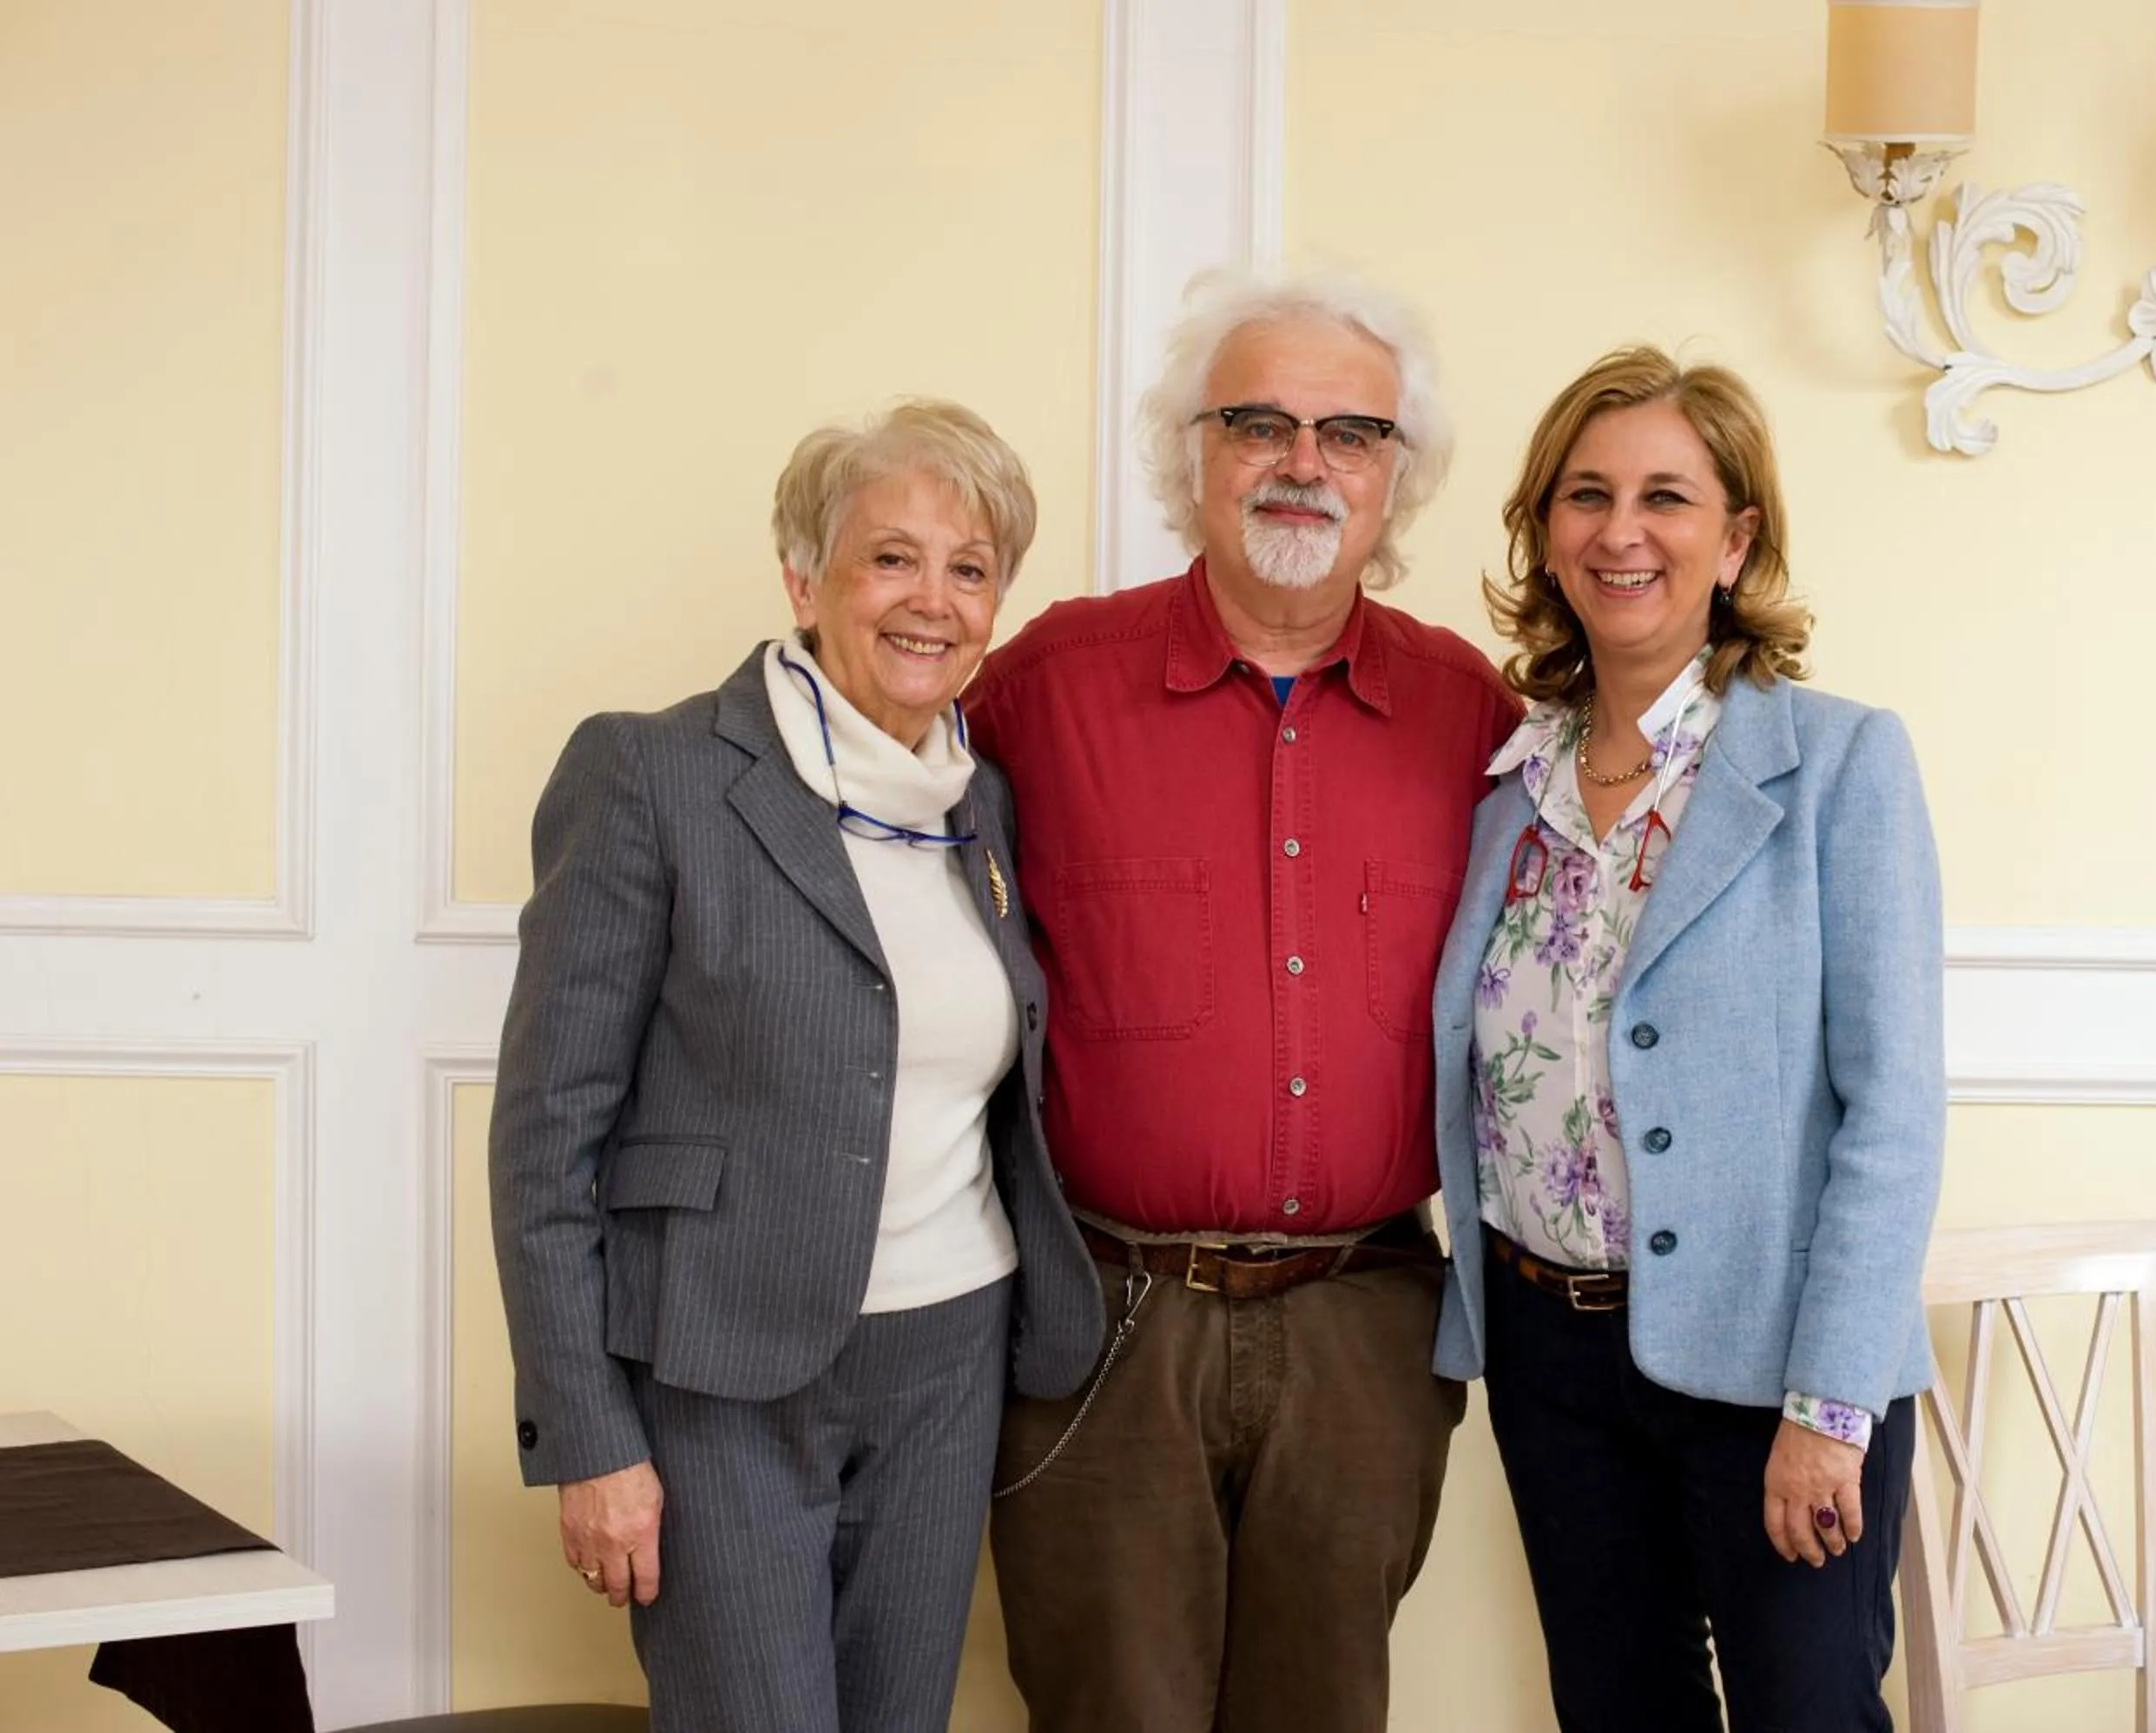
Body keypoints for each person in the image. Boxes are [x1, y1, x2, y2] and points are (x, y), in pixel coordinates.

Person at [487, 400, 1101, 1733]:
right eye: (891, 557)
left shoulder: (979, 802)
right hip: (721, 1377)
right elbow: (547, 1138)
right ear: (803, 578)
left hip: (951, 1354)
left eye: (971, 567)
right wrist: (588, 1439)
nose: (931, 601)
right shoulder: (653, 773)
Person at [964, 269, 1518, 1733]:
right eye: (1259, 421)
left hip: (1366, 1332)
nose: (1304, 463)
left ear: (1399, 476)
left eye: (1351, 434)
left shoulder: (1480, 719)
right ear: (1191, 453)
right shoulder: (1042, 687)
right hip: (1104, 1325)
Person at [1427, 346, 1946, 1732]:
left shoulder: (1840, 763)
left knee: (1807, 1715)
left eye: (1667, 495)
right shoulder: (1503, 786)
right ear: (1546, 531)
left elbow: (1892, 1114)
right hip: (1552, 1360)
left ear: (1737, 537)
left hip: (1774, 1367)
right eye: (1585, 495)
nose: (1622, 529)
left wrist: (1829, 1409)